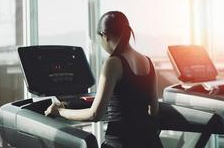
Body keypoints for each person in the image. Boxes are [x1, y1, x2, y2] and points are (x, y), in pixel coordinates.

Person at [45, 11, 163, 148]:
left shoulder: (113, 63)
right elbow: (153, 109)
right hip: (150, 142)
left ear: (105, 36)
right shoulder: (147, 61)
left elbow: (95, 114)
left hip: (121, 143)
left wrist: (60, 111)